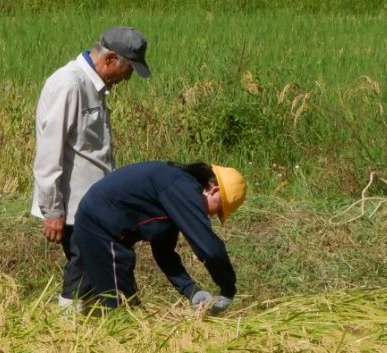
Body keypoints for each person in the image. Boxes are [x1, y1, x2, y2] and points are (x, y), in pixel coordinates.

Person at [31, 26, 152, 310]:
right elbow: (49, 152)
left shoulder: (94, 87)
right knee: (84, 264)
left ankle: (95, 317)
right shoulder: (69, 85)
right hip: (75, 204)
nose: (127, 78)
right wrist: (52, 210)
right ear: (110, 59)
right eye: (128, 69)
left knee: (95, 264)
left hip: (96, 202)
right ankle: (68, 323)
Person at [71, 161, 246, 313]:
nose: (213, 215)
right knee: (121, 310)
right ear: (214, 190)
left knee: (118, 305)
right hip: (100, 228)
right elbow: (208, 247)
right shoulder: (182, 187)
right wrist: (228, 288)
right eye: (219, 209)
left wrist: (192, 291)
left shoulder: (174, 193)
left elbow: (164, 252)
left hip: (101, 227)